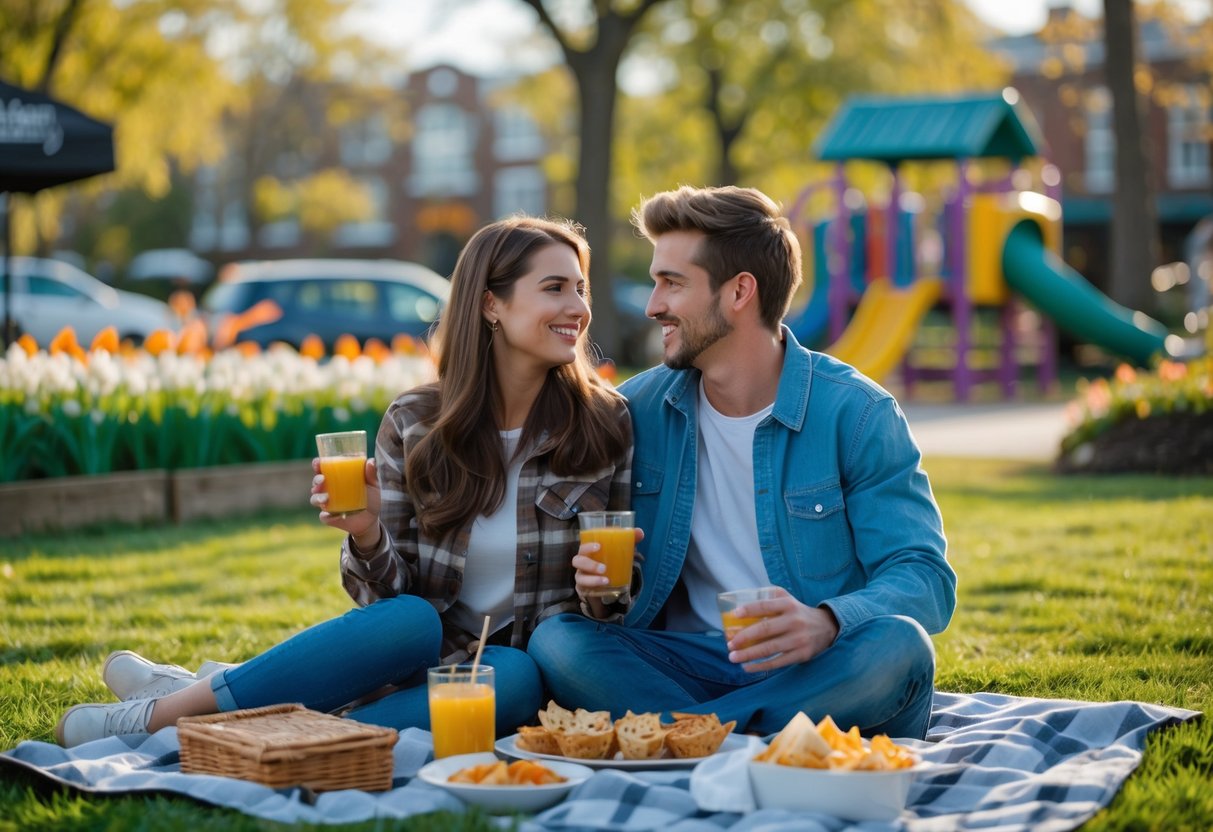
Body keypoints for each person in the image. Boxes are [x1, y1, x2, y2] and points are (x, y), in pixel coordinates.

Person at [56, 216, 632, 747]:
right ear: (490, 304)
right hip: (414, 651)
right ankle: (158, 716)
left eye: (580, 287)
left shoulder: (606, 423)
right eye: (555, 288)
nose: (578, 307)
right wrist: (364, 532)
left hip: (506, 666)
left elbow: (618, 606)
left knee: (514, 679)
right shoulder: (416, 422)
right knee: (411, 617)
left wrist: (604, 592)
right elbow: (383, 604)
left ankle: (268, 731)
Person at [528, 185, 956, 739]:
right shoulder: (638, 410)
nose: (653, 304)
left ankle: (690, 738)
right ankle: (744, 738)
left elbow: (925, 578)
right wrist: (602, 593)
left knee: (900, 648)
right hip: (686, 667)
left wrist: (825, 623)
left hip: (814, 670)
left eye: (672, 283)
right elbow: (612, 592)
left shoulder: (858, 414)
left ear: (739, 293)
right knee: (558, 640)